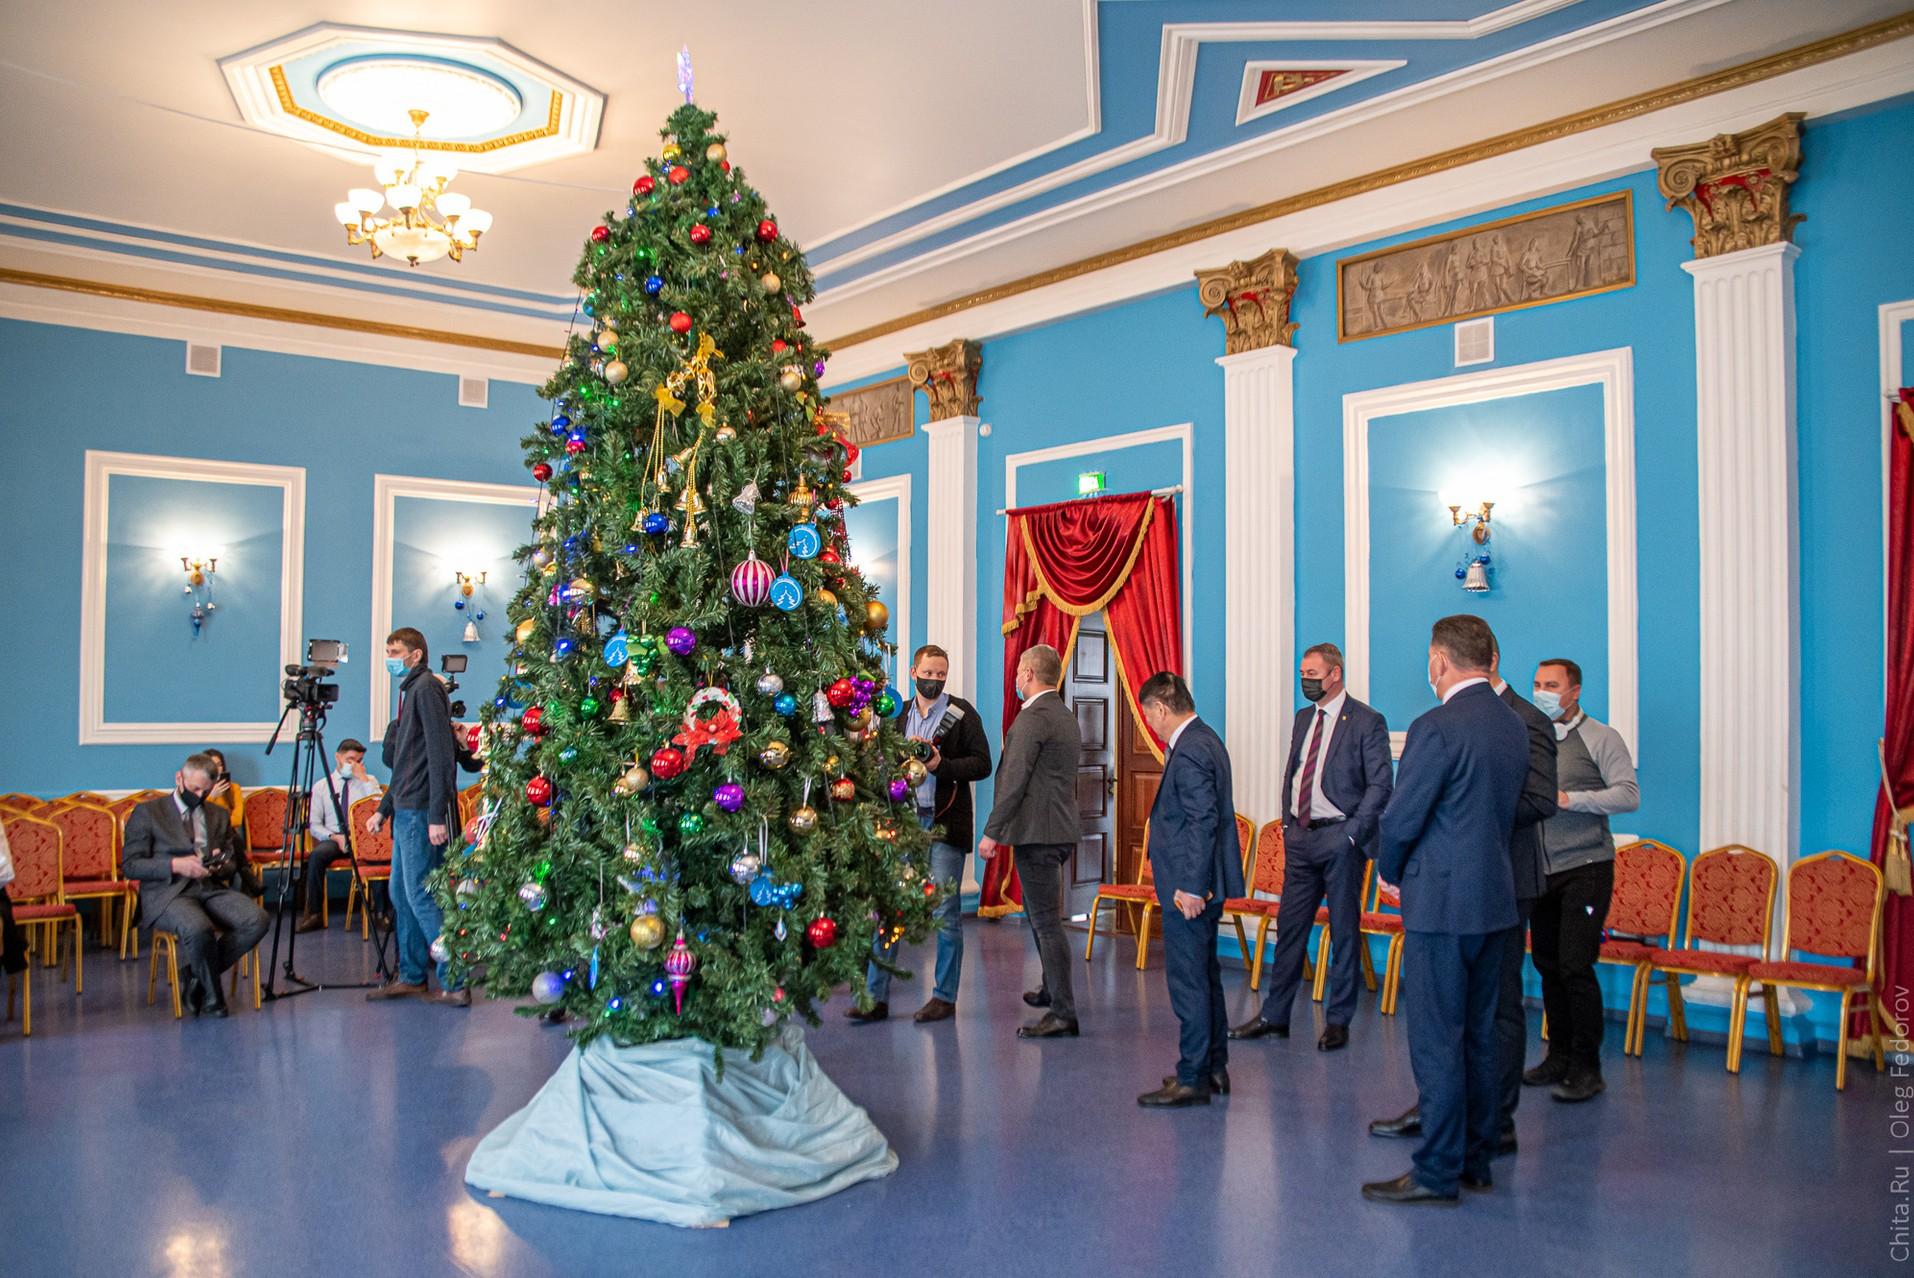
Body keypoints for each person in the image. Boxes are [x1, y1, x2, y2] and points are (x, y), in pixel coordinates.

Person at [1362, 616, 1528, 1205]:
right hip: (1496, 900)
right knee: (1480, 1038)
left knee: (1436, 1040)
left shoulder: (1434, 727)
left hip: (1440, 903)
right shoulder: (1513, 725)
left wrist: (1388, 871)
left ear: (1439, 660)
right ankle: (1476, 1160)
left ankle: (1435, 1171)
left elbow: (1403, 818)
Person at [1231, 642, 1392, 1051]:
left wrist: (1352, 833)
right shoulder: (1304, 718)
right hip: (1302, 837)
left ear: (1335, 674)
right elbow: (1295, 772)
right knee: (1290, 930)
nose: (1305, 681)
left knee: (1343, 931)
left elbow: (1380, 784)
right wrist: (1287, 824)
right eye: (1302, 674)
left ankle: (1338, 1021)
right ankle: (1274, 1016)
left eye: (1313, 674)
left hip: (1341, 840)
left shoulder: (1366, 721)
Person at [848, 644, 992, 1025]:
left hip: (944, 826)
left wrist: (943, 765)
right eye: (928, 673)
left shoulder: (962, 714)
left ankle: (944, 997)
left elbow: (983, 764)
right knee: (889, 908)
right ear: (913, 673)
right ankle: (875, 998)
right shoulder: (896, 715)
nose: (934, 680)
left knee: (946, 912)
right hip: (902, 825)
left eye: (941, 675)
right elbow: (877, 761)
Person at [1526, 656, 1639, 1102]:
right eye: (1538, 684)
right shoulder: (1533, 736)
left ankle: (1587, 1067)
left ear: (1574, 691)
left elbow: (1628, 795)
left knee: (1575, 965)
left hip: (1586, 867)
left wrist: (1571, 799)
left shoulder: (1601, 737)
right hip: (1541, 868)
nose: (1542, 692)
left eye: (1551, 686)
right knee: (1547, 964)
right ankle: (1557, 1056)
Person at [1132, 673, 1243, 1107]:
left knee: (1189, 982)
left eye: (1149, 716)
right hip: (1200, 882)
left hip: (1190, 888)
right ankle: (1214, 1067)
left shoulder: (1191, 748)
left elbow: (1202, 820)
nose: (1151, 724)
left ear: (1161, 708)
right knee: (1206, 976)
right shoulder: (1206, 738)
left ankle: (1192, 1076)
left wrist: (1193, 887)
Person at [978, 643, 1082, 1039]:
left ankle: (1063, 1012)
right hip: (1058, 828)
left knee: (1046, 923)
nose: (1017, 676)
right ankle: (1050, 989)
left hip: (1038, 833)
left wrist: (992, 832)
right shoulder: (1063, 714)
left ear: (1029, 674)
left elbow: (1014, 781)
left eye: (1020, 670)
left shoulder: (1032, 718)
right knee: (1044, 919)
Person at [120, 753, 268, 1018]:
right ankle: (213, 996)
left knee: (256, 919)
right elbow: (131, 866)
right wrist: (175, 865)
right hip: (168, 892)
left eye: (205, 791)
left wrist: (220, 863)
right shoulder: (149, 812)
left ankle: (195, 977)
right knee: (198, 928)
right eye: (194, 788)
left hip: (209, 886)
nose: (199, 795)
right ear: (179, 778)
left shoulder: (218, 815)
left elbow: (232, 865)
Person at [365, 627, 464, 1006]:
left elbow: (441, 755)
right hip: (405, 808)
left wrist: (437, 814)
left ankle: (454, 980)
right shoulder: (412, 691)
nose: (390, 658)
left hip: (422, 810)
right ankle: (411, 974)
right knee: (400, 894)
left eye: (395, 651)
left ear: (416, 654)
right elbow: (407, 762)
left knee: (422, 895)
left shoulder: (425, 690)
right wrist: (384, 808)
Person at [294, 739, 384, 934]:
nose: (354, 765)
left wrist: (364, 780)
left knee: (377, 855)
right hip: (336, 837)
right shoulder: (322, 786)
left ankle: (380, 913)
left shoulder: (369, 781)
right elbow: (314, 824)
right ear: (338, 757)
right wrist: (335, 837)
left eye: (359, 761)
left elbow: (379, 807)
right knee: (317, 856)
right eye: (350, 760)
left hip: (363, 838)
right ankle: (314, 914)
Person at [200, 747, 247, 852]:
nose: (216, 769)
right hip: (206, 835)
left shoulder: (234, 788)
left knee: (233, 842)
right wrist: (212, 796)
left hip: (229, 834)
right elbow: (198, 816)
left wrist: (217, 825)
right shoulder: (199, 789)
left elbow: (237, 820)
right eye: (212, 765)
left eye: (219, 765)